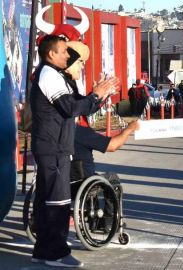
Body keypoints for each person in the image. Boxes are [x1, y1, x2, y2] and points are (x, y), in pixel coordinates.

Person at [30, 35, 117, 267]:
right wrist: (96, 94)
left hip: (53, 146)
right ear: (51, 54)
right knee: (58, 202)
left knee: (46, 200)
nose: (69, 56)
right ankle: (56, 253)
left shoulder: (55, 75)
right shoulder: (49, 74)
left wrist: (99, 95)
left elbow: (80, 104)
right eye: (64, 52)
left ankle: (42, 250)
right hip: (53, 148)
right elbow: (71, 108)